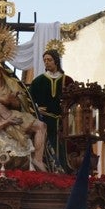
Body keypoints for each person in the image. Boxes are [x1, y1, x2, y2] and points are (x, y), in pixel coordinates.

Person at [29, 40, 72, 170]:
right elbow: (29, 100)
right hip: (45, 119)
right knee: (46, 145)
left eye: (49, 60)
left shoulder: (67, 80)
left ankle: (64, 170)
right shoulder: (38, 81)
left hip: (62, 121)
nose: (46, 62)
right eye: (45, 60)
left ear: (56, 61)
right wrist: (36, 108)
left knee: (63, 146)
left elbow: (73, 100)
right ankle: (48, 169)